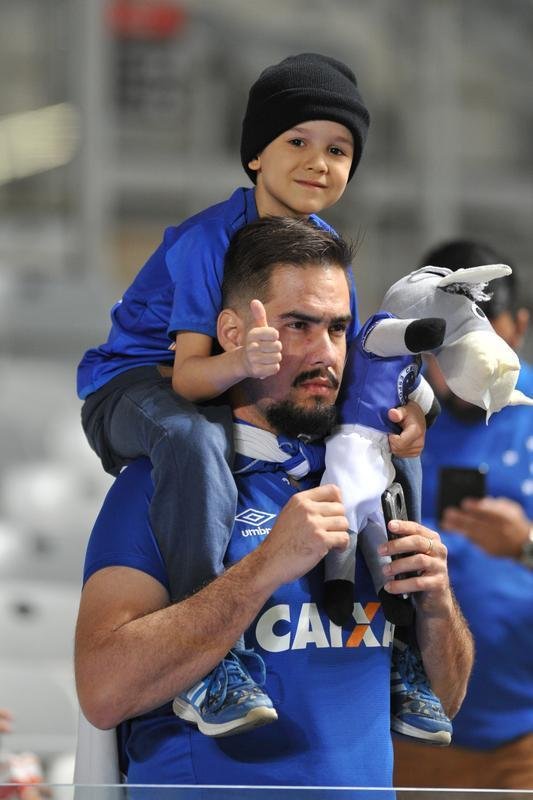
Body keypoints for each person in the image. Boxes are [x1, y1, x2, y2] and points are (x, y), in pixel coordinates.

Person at [76, 53, 427, 733]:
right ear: (253, 158)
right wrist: (240, 358)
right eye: (296, 140)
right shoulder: (209, 240)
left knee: (383, 444)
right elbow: (186, 380)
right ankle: (212, 659)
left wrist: (402, 415)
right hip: (135, 386)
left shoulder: (324, 249)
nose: (316, 161)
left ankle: (405, 644)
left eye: (337, 149)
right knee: (190, 433)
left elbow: (342, 368)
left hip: (228, 381)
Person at [75, 217, 473, 787]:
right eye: (298, 326)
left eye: (338, 329)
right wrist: (265, 567)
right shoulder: (165, 481)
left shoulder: (368, 482)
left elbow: (449, 700)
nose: (327, 353)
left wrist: (438, 606)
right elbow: (103, 691)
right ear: (234, 334)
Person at [393, 239, 533, 790]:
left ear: (516, 328)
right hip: (412, 724)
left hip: (524, 732)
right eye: (444, 342)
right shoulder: (397, 416)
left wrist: (524, 544)